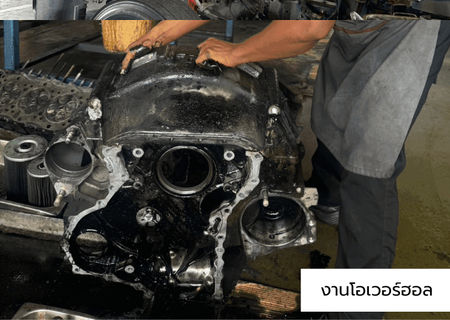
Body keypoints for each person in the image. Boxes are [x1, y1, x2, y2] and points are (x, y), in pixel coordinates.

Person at [122, 19, 450, 320]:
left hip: (408, 30)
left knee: (369, 164)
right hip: (357, 27)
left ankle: (354, 313)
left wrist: (237, 52)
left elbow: (307, 31)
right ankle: (328, 200)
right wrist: (159, 36)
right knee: (330, 118)